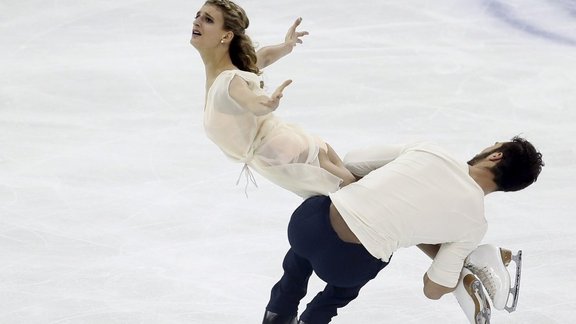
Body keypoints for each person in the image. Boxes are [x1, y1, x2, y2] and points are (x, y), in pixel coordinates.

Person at [263, 137, 544, 324]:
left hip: (305, 226)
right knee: (354, 277)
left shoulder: (430, 151)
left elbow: (351, 164)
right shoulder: (473, 225)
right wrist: (449, 261)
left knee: (303, 254)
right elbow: (433, 290)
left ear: (495, 155)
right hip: (345, 266)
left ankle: (277, 312)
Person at [191, 0, 355, 198]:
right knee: (356, 190)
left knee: (357, 194)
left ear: (226, 35)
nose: (197, 22)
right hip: (289, 146)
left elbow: (250, 101)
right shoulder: (234, 68)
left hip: (284, 154)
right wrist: (287, 46)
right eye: (198, 16)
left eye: (208, 20)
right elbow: (263, 57)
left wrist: (266, 104)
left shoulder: (229, 81)